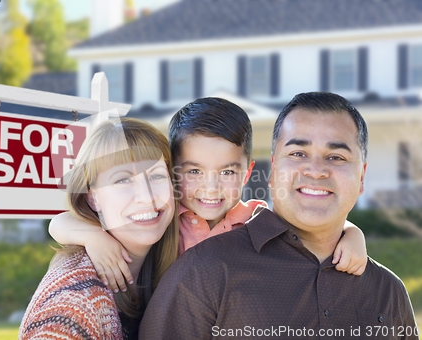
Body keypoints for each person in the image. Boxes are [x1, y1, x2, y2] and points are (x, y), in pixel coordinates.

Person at [139, 92, 419, 340]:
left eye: (336, 157)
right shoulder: (201, 268)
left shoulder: (388, 291)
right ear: (272, 171)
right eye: (298, 153)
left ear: (361, 178)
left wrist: (353, 232)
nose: (316, 170)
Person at [49, 97, 368, 294]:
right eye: (194, 171)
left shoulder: (258, 219)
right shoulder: (161, 219)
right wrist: (96, 239)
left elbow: (312, 229)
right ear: (172, 171)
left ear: (247, 172)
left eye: (227, 172)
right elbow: (60, 222)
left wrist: (353, 234)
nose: (211, 188)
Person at [18, 118, 179, 340]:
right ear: (93, 198)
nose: (146, 196)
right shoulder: (72, 300)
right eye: (123, 180)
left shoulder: (178, 259)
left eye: (157, 176)